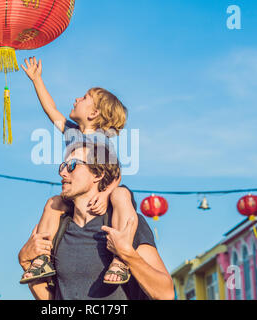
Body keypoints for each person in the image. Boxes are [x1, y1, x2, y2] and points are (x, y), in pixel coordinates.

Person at [19, 56, 138, 285]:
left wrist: (105, 194)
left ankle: (120, 258)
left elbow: (117, 173)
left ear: (94, 114)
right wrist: (36, 80)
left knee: (121, 193)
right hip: (79, 198)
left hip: (100, 193)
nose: (76, 98)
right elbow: (50, 109)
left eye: (84, 98)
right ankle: (42, 259)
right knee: (53, 203)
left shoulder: (101, 140)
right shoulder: (72, 133)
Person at [18, 143, 175, 300]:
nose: (63, 173)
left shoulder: (123, 223)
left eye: (72, 165)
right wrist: (26, 264)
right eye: (63, 166)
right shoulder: (57, 230)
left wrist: (126, 254)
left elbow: (165, 294)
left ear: (97, 174)